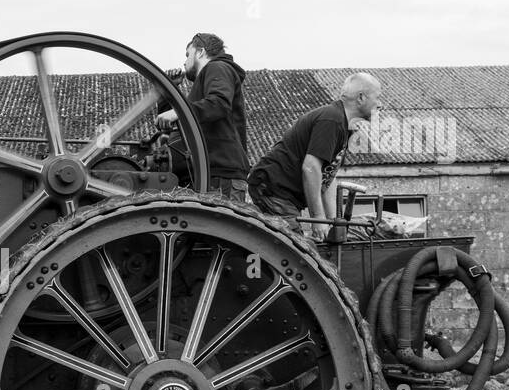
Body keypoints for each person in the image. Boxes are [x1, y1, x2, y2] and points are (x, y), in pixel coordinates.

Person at [247, 72, 382, 241]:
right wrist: (317, 218)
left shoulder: (344, 125)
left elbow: (327, 176)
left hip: (282, 193)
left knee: (306, 247)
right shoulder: (332, 120)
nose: (380, 104)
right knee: (295, 252)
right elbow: (311, 168)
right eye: (377, 97)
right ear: (361, 98)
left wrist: (334, 222)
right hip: (273, 188)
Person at [154, 33, 248, 201]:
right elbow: (180, 123)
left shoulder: (218, 67)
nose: (184, 62)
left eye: (188, 54)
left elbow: (218, 103)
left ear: (200, 52)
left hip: (219, 177)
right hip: (206, 175)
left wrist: (178, 112)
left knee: (219, 227)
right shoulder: (201, 88)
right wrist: (168, 92)